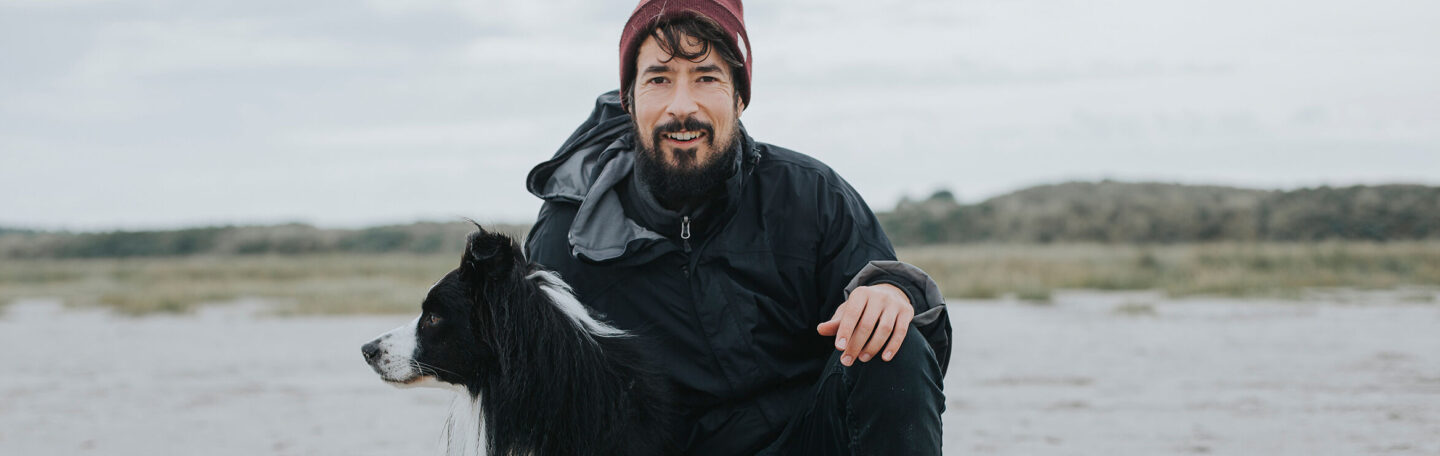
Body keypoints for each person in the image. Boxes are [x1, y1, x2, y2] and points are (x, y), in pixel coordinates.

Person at [523, 1, 950, 454]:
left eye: (706, 77)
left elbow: (906, 354)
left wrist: (894, 292)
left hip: (802, 441)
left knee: (889, 341)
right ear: (628, 99)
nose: (681, 107)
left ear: (739, 96)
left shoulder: (810, 195)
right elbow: (531, 401)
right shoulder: (566, 238)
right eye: (659, 79)